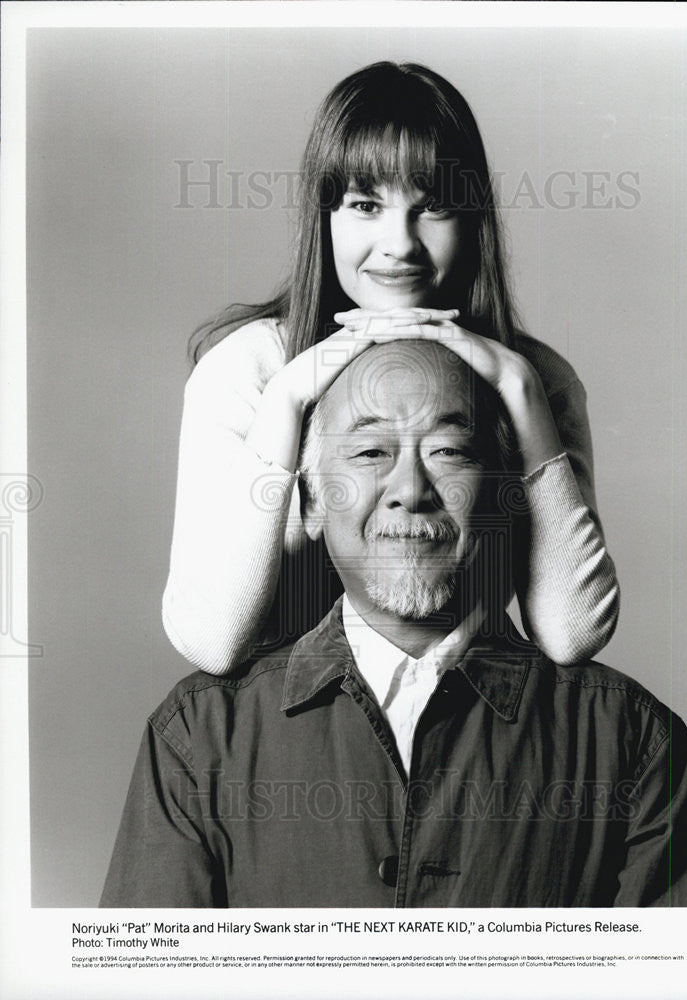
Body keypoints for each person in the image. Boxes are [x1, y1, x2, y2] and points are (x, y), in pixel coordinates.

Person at [102, 341, 687, 908]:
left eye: (449, 451)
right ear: (312, 503)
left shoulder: (635, 742)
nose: (410, 489)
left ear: (507, 495)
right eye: (371, 452)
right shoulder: (198, 738)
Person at [162, 61, 619, 675]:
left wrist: (520, 392)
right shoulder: (249, 370)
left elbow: (573, 633)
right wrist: (289, 396)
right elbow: (211, 640)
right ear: (324, 218)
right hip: (288, 731)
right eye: (365, 204)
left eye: (432, 208)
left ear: (472, 219)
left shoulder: (532, 379)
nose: (399, 243)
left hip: (471, 728)